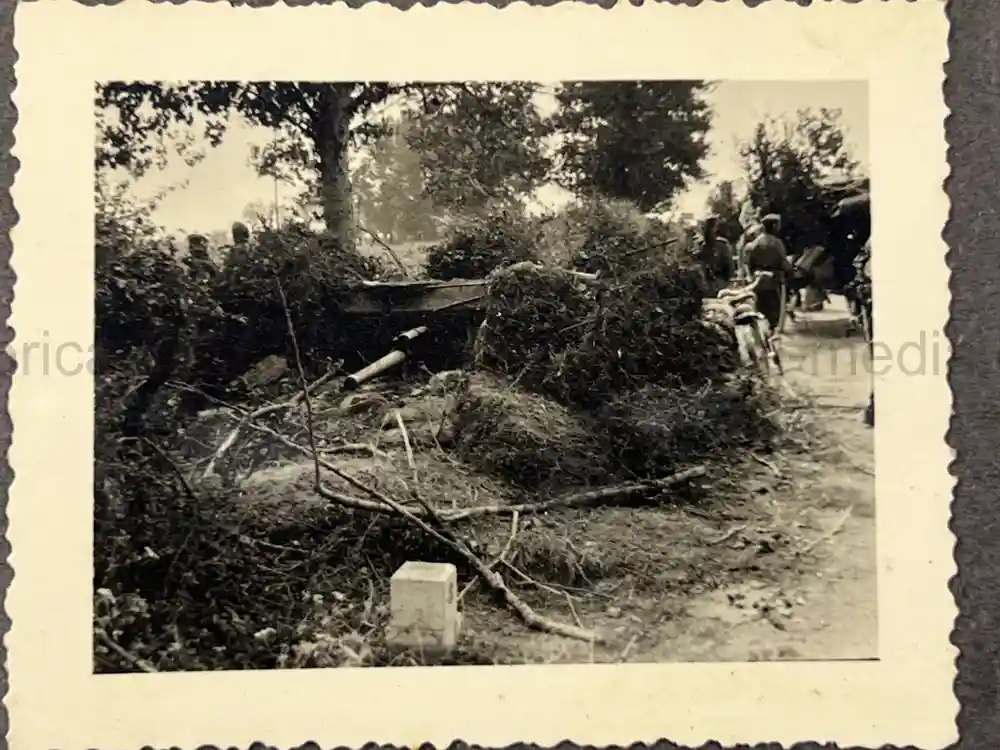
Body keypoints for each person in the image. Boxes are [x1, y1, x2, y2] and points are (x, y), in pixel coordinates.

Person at [744, 213, 797, 332]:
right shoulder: (776, 243)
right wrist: (791, 272)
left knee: (761, 309)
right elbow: (783, 262)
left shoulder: (755, 242)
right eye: (777, 225)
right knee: (774, 312)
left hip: (757, 280)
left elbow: (748, 262)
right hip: (773, 281)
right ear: (773, 226)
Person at [696, 214, 735, 293]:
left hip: (721, 280)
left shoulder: (721, 244)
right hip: (711, 282)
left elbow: (729, 265)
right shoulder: (704, 246)